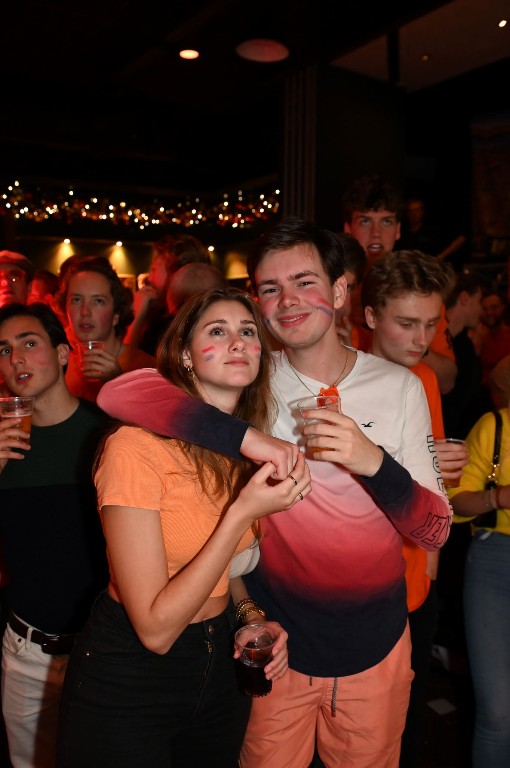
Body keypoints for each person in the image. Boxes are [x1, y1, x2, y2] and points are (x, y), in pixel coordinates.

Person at [95, 218, 452, 768]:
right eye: (269, 288)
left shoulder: (398, 385)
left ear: (338, 291)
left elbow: (435, 528)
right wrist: (249, 436)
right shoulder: (250, 376)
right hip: (275, 646)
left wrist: (372, 462)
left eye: (305, 281)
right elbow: (122, 393)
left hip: (374, 649)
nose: (288, 300)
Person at [57, 287, 310, 768]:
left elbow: (223, 566)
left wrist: (251, 617)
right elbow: (155, 630)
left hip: (217, 666)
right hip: (132, 673)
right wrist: (241, 512)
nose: (238, 342)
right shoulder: (135, 448)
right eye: (218, 331)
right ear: (185, 357)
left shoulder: (246, 451)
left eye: (248, 331)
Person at [361, 250, 464, 767]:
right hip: (354, 588)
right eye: (407, 324)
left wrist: (448, 467)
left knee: (401, 729)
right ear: (371, 316)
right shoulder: (339, 376)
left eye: (430, 325)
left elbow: (436, 490)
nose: (421, 339)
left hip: (413, 587)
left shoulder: (422, 378)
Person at [0, 302, 108, 768]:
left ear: (63, 354)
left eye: (29, 343)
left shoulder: (106, 434)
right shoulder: (1, 443)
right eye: (3, 351)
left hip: (102, 648)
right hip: (26, 651)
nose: (16, 359)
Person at [341, 177, 458, 395]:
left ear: (398, 229)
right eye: (365, 221)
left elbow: (447, 380)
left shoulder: (423, 294)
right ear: (348, 227)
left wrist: (413, 343)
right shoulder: (333, 294)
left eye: (386, 221)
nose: (376, 233)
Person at [448, 401, 510, 768]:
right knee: (498, 712)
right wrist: (499, 496)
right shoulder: (496, 425)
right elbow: (455, 504)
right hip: (495, 565)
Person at [57, 256, 154, 401]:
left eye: (98, 301)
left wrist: (118, 382)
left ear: (116, 314)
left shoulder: (146, 369)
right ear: (66, 309)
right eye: (76, 300)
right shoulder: (57, 365)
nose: (85, 311)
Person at [126, 234, 211, 356]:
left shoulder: (171, 328)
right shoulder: (162, 315)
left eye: (154, 270)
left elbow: (127, 365)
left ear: (175, 274)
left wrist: (138, 316)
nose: (150, 277)